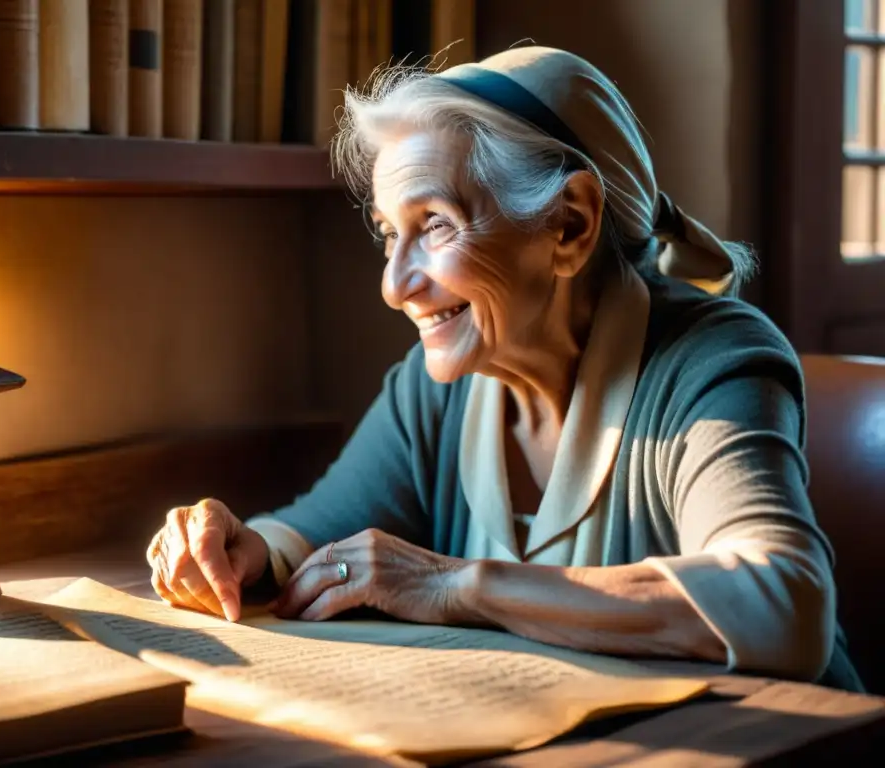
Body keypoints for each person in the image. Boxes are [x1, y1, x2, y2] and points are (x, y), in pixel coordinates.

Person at [147, 46, 861, 691]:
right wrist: (240, 550)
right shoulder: (435, 391)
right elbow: (312, 536)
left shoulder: (714, 361)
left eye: (434, 225)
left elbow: (784, 604)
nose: (395, 286)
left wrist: (456, 584)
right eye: (391, 234)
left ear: (569, 226)